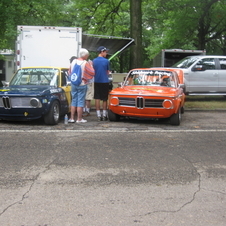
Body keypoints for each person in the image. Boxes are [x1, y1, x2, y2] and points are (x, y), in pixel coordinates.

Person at [68, 48, 95, 123]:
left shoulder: (73, 61)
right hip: (82, 84)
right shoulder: (85, 63)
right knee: (80, 102)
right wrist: (91, 65)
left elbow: (69, 71)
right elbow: (92, 73)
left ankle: (72, 118)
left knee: (74, 100)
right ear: (85, 55)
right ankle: (79, 119)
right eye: (87, 55)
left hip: (74, 83)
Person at [93, 46, 110, 121]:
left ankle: (98, 114)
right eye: (106, 52)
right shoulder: (107, 61)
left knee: (97, 97)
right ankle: (104, 114)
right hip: (105, 81)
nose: (106, 53)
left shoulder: (93, 61)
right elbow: (108, 72)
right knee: (104, 99)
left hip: (96, 81)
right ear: (102, 52)